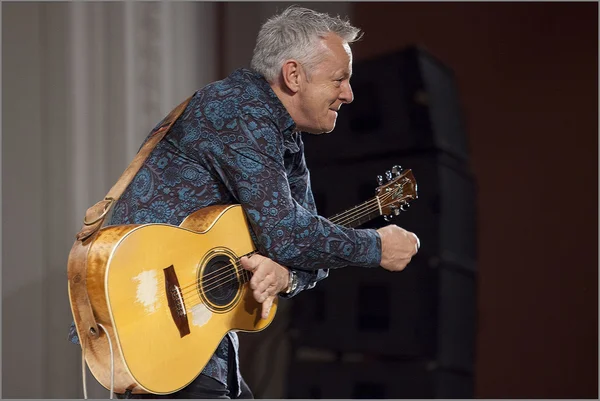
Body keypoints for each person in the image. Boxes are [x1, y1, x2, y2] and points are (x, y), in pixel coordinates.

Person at [68, 5, 419, 399]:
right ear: (293, 75)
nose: (349, 94)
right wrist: (377, 246)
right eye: (339, 79)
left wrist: (287, 276)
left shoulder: (285, 137)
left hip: (203, 345)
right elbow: (289, 236)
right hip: (157, 328)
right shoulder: (237, 110)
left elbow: (301, 244)